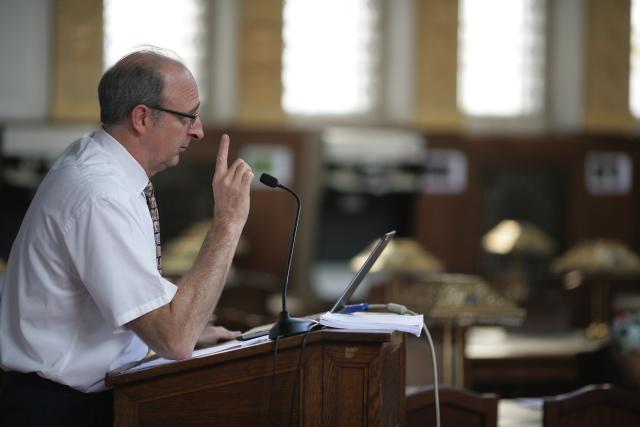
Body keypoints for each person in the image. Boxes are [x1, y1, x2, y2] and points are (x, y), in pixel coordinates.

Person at [0, 49, 253, 426]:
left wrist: (194, 329)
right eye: (189, 117)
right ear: (142, 117)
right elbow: (175, 341)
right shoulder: (99, 195)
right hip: (57, 408)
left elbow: (134, 301)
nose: (198, 130)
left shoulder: (100, 162)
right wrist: (228, 224)